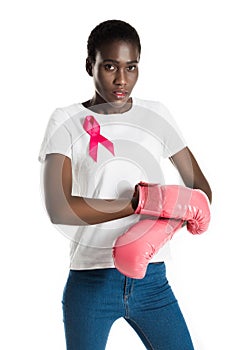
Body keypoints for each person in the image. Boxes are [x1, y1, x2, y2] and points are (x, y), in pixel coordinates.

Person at [39, 19, 212, 350]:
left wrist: (161, 222)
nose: (121, 79)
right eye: (109, 66)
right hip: (90, 282)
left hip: (152, 282)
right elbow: (58, 207)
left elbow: (201, 191)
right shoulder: (65, 120)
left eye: (131, 67)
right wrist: (139, 202)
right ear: (90, 65)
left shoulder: (156, 115)